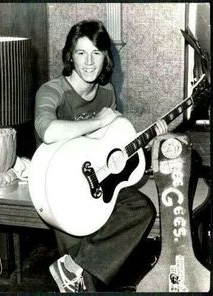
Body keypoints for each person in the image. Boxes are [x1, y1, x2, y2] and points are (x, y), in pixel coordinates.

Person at [34, 19, 168, 292]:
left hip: (97, 186)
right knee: (85, 283)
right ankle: (78, 269)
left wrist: (142, 145)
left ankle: (72, 265)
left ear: (105, 56)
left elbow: (109, 147)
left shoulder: (106, 93)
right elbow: (47, 131)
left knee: (142, 208)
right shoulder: (52, 91)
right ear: (70, 55)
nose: (89, 62)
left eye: (96, 53)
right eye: (81, 53)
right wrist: (98, 121)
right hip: (58, 189)